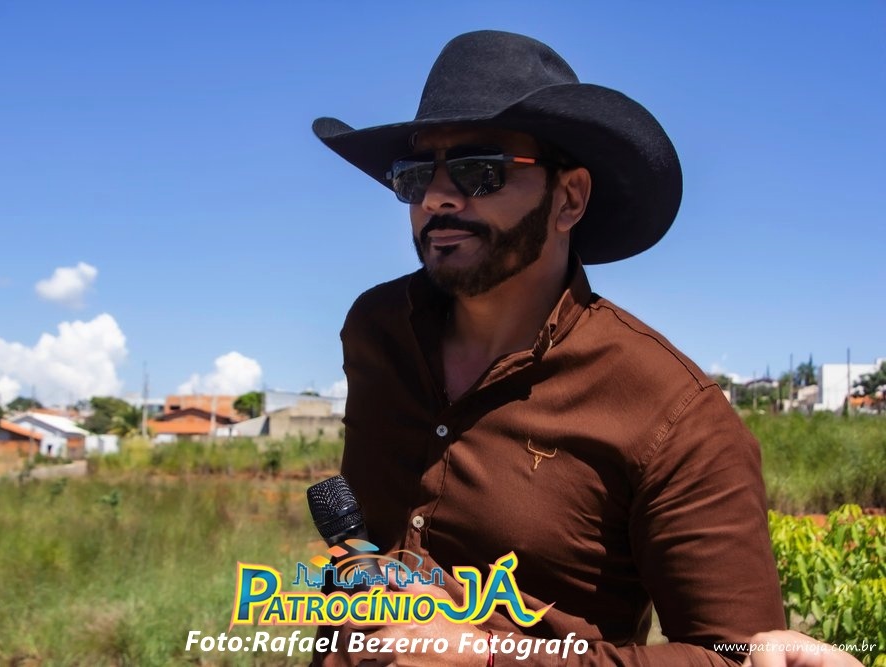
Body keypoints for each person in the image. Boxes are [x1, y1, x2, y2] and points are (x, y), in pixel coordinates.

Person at [311, 30, 788, 665]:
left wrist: (491, 658)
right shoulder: (378, 329)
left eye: (480, 170)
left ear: (569, 198)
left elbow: (738, 656)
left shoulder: (672, 413)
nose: (437, 198)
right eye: (415, 175)